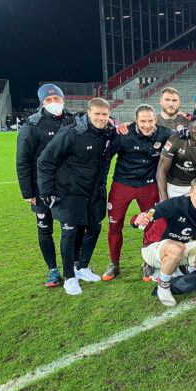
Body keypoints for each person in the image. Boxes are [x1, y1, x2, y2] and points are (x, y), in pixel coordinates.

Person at [37, 98, 115, 295]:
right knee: (69, 233)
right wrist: (45, 191)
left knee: (95, 227)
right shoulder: (70, 133)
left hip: (95, 191)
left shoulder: (109, 133)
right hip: (70, 191)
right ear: (88, 113)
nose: (101, 118)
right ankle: (69, 277)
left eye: (104, 114)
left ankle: (82, 268)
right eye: (97, 114)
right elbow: (45, 161)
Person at [131, 176, 196, 306]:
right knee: (177, 248)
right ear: (191, 193)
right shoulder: (175, 204)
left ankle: (180, 268)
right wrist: (137, 220)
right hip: (152, 248)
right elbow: (146, 215)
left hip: (181, 247)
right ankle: (163, 285)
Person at [102, 104, 173, 281]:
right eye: (143, 121)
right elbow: (105, 157)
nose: (147, 125)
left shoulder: (164, 134)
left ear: (156, 120)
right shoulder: (124, 134)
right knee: (114, 225)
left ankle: (147, 262)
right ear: (136, 121)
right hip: (122, 185)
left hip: (148, 186)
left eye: (150, 121)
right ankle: (114, 263)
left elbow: (183, 135)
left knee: (150, 224)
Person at [16, 83, 77, 287]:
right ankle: (53, 270)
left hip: (68, 187)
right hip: (41, 188)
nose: (54, 103)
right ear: (42, 103)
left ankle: (74, 265)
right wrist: (28, 191)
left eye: (56, 99)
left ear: (63, 99)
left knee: (71, 227)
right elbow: (23, 160)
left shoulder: (73, 119)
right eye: (48, 100)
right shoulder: (32, 125)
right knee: (45, 229)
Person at [156, 115, 196, 200]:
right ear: (189, 128)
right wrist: (163, 197)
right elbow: (161, 169)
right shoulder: (176, 140)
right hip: (171, 185)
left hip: (194, 187)